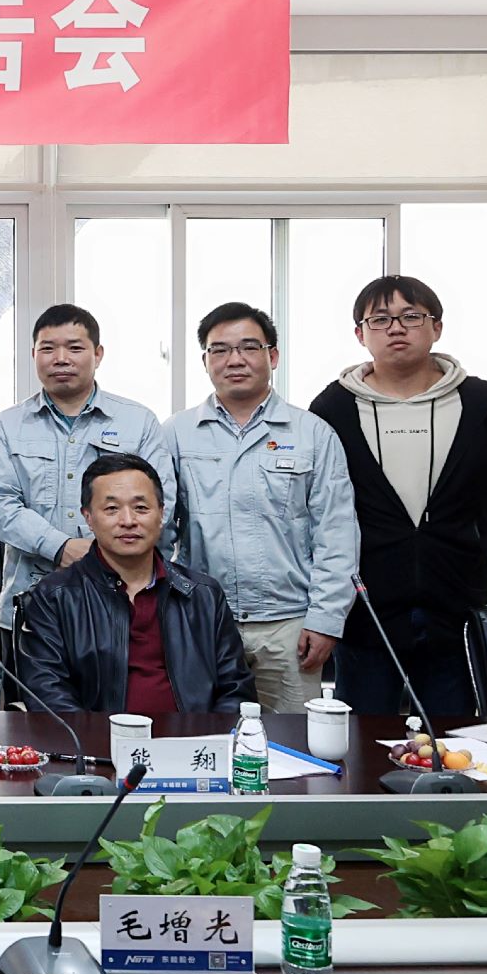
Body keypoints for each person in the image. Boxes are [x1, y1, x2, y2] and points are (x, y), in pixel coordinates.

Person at [309, 275, 487, 718]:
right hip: (366, 608)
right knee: (362, 736)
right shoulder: (332, 408)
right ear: (360, 334)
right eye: (380, 319)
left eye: (411, 316)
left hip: (455, 598)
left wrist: (468, 542)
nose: (396, 328)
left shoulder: (483, 402)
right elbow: (318, 503)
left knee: (455, 735)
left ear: (436, 327)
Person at [165, 302, 357, 712]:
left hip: (289, 624)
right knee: (203, 734)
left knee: (292, 740)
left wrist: (326, 619)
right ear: (205, 361)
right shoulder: (177, 433)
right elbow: (160, 530)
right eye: (220, 350)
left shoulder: (312, 434)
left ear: (273, 356)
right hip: (202, 620)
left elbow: (336, 534)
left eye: (249, 347)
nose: (234, 360)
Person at [0, 304, 174, 632]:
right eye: (48, 348)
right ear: (33, 355)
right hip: (33, 603)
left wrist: (104, 554)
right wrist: (60, 547)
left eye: (74, 348)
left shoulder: (138, 422)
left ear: (98, 354)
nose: (61, 358)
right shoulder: (7, 426)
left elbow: (161, 502)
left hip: (125, 601)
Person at [16, 452, 254, 715]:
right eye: (111, 509)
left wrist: (207, 736)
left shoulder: (204, 595)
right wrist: (101, 739)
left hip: (194, 738)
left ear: (161, 514)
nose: (128, 521)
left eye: (141, 508)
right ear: (88, 517)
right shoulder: (55, 597)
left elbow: (236, 690)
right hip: (96, 739)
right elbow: (48, 696)